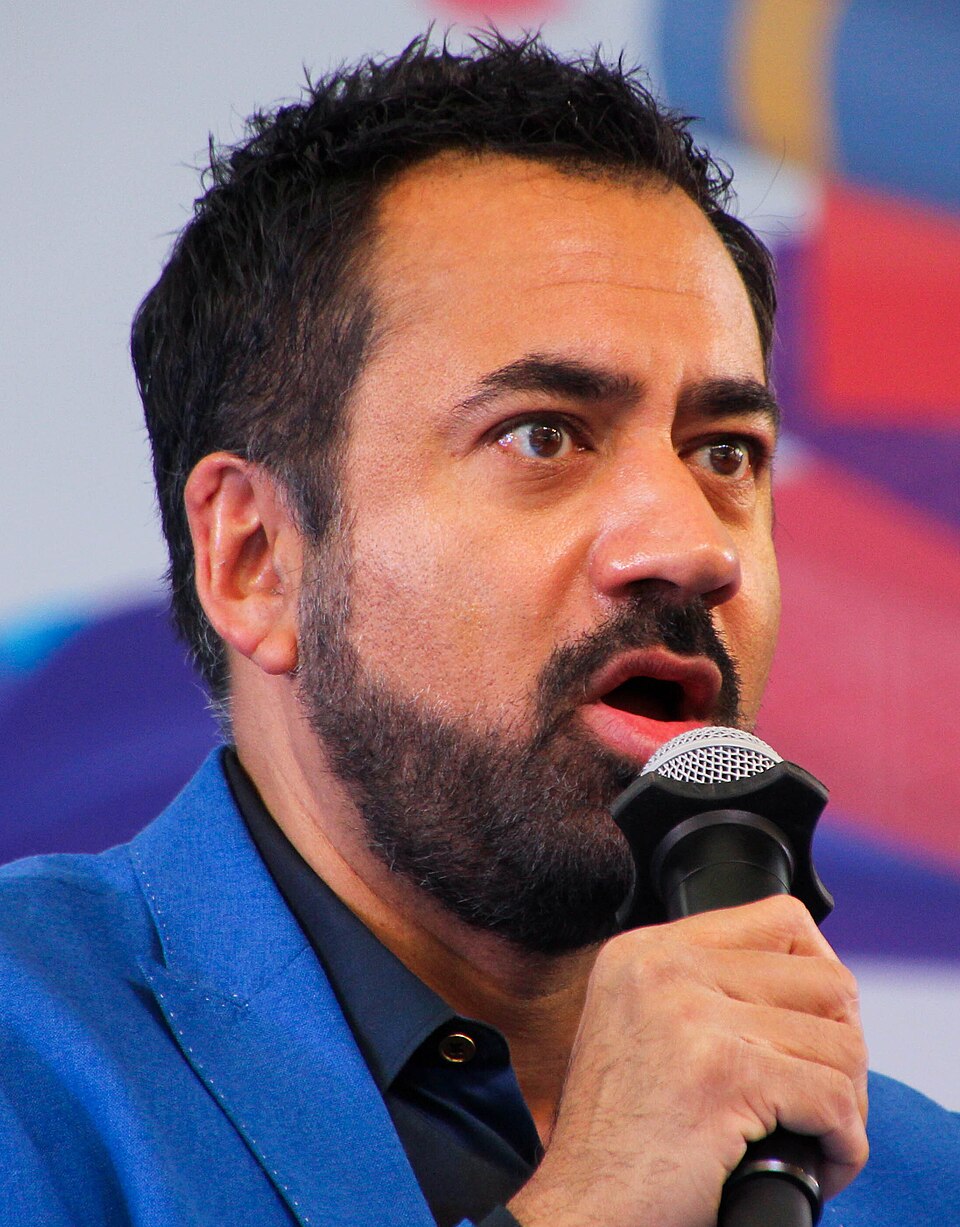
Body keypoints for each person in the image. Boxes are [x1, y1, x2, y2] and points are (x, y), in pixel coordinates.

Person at [0, 34, 957, 1227]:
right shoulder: (31, 1061)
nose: (692, 546)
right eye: (542, 436)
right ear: (254, 558)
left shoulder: (918, 1183)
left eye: (725, 454)